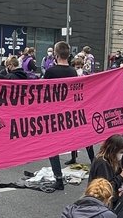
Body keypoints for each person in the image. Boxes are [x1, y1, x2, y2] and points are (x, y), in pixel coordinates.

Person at [41, 43, 96, 184]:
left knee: (52, 146)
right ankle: (94, 163)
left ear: (56, 54)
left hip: (54, 113)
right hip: (69, 113)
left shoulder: (51, 72)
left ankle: (58, 178)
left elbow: (42, 92)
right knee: (81, 138)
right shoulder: (72, 71)